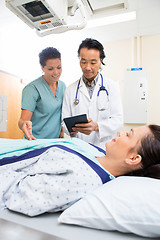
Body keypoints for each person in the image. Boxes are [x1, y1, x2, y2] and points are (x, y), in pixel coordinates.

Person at [1, 124, 160, 216]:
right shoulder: (96, 152)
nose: (121, 132)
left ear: (133, 158)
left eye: (128, 134)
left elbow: (18, 196)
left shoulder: (82, 179)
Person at [62, 38, 123, 149]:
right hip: (79, 147)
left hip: (104, 147)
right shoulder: (70, 90)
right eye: (83, 62)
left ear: (101, 60)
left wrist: (96, 126)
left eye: (93, 62)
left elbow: (118, 120)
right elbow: (64, 122)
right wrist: (75, 129)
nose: (87, 67)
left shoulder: (112, 86)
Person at [18, 47, 66, 140]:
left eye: (59, 67)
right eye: (51, 68)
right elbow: (23, 120)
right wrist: (24, 124)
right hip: (34, 141)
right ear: (42, 67)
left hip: (54, 142)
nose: (56, 72)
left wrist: (61, 131)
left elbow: (60, 113)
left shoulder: (63, 86)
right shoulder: (32, 89)